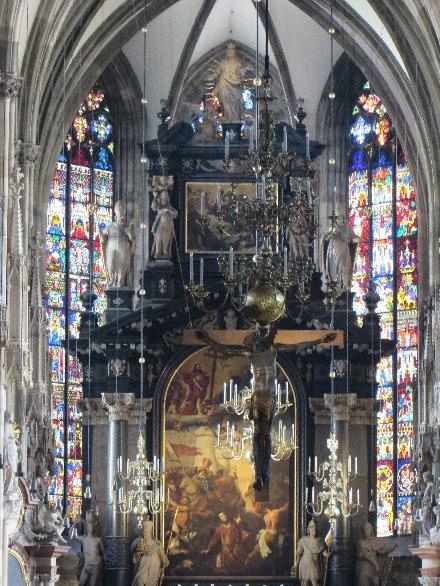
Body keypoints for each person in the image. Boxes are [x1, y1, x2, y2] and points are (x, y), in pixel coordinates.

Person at [131, 519, 169, 586]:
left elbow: (164, 559)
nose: (146, 532)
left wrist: (164, 561)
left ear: (151, 532)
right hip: (142, 567)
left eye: (148, 531)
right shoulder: (138, 541)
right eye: (145, 531)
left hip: (154, 567)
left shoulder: (157, 543)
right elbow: (134, 557)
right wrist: (140, 553)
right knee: (140, 581)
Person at [150, 177, 177, 260]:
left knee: (165, 247)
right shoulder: (159, 205)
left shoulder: (170, 207)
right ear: (160, 197)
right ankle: (158, 253)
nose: (164, 197)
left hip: (168, 227)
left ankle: (165, 253)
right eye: (163, 196)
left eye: (166, 196)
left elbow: (175, 214)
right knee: (158, 242)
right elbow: (154, 207)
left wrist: (169, 211)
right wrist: (155, 197)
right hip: (160, 226)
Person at [296, 519, 328, 586]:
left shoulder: (320, 541)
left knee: (315, 582)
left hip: (314, 564)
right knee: (305, 583)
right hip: (304, 564)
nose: (314, 530)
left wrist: (329, 553)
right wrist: (297, 564)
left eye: (315, 528)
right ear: (308, 530)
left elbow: (324, 553)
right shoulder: (303, 540)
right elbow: (299, 553)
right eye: (312, 528)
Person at [78, 518, 105, 585]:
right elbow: (71, 536)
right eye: (89, 526)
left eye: (92, 527)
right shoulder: (83, 538)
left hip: (95, 564)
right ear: (86, 528)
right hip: (87, 564)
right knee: (80, 583)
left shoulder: (98, 539)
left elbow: (103, 552)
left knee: (92, 584)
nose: (90, 528)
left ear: (93, 528)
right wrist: (75, 524)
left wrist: (106, 562)